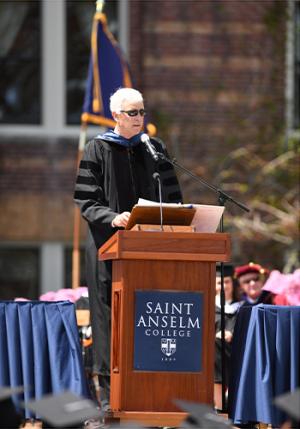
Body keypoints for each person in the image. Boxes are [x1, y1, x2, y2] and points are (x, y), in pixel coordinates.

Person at [74, 87, 182, 412]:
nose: (139, 119)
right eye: (132, 113)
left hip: (147, 250)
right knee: (109, 320)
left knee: (146, 317)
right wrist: (114, 217)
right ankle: (109, 397)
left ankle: (147, 391)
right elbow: (86, 200)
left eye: (142, 112)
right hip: (108, 247)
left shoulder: (154, 149)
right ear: (117, 116)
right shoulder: (97, 149)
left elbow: (174, 199)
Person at [214, 264, 241, 411]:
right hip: (215, 358)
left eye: (227, 282)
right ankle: (219, 406)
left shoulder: (242, 308)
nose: (224, 286)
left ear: (233, 283)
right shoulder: (208, 307)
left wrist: (233, 334)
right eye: (219, 282)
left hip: (235, 355)